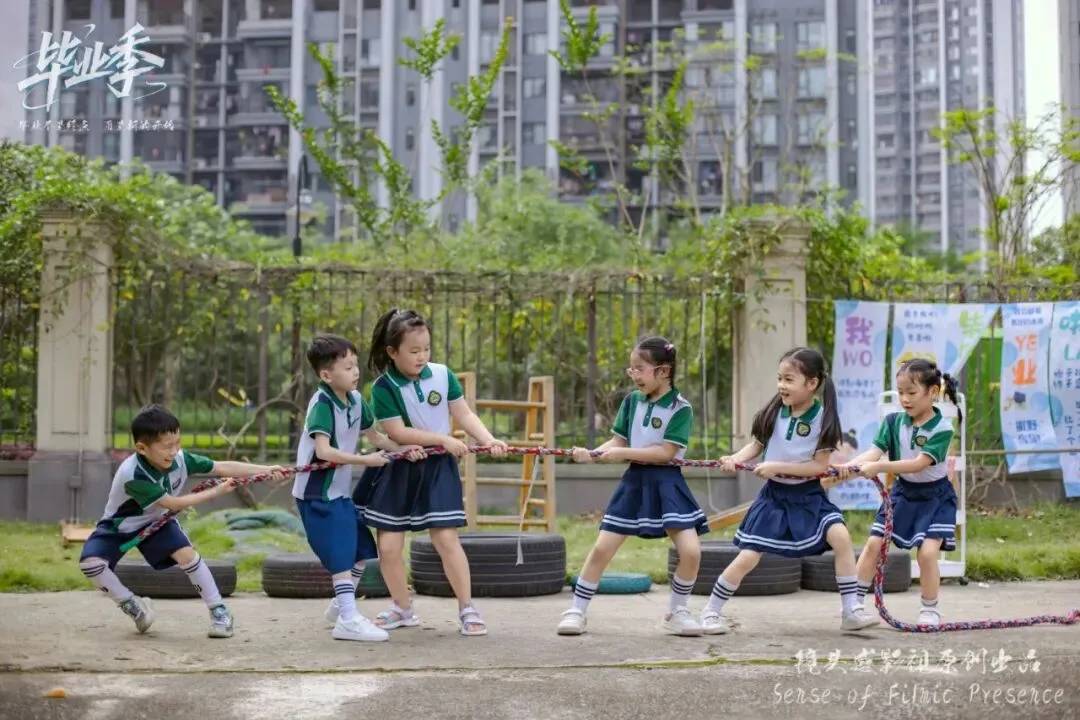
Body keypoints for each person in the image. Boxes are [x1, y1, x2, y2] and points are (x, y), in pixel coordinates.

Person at [702, 347, 880, 635]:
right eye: (779, 378)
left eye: (788, 379)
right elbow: (756, 446)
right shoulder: (774, 412)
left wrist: (776, 466)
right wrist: (735, 459)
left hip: (809, 496)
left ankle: (851, 610)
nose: (781, 385)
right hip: (774, 498)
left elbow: (818, 467)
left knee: (841, 537)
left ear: (812, 383)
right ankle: (711, 611)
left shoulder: (823, 419)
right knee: (749, 556)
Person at [358, 308, 508, 637]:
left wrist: (488, 439)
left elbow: (463, 413)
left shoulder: (442, 374)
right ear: (392, 352)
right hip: (400, 466)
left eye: (426, 348)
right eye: (413, 351)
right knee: (389, 545)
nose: (422, 356)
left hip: (438, 467)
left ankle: (467, 608)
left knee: (445, 538)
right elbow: (397, 432)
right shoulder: (383, 387)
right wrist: (443, 439)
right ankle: (402, 608)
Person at [78, 404, 286, 638]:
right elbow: (174, 504)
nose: (174, 451)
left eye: (177, 443)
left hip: (156, 521)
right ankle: (132, 604)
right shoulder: (132, 474)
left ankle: (219, 611)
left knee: (187, 555)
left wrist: (266, 469)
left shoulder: (181, 459)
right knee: (91, 564)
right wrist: (217, 491)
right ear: (142, 448)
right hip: (120, 526)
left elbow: (221, 467)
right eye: (167, 446)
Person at [557, 337, 708, 637]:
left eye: (640, 369)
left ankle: (677, 611)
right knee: (602, 549)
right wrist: (592, 455)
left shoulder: (681, 408)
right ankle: (576, 610)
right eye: (632, 369)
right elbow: (617, 441)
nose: (634, 375)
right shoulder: (631, 402)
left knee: (691, 551)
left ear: (663, 371)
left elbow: (665, 453)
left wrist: (622, 453)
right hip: (634, 482)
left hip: (668, 483)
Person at [292, 333, 426, 643]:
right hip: (317, 495)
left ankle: (341, 606)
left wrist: (402, 449)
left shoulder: (354, 400)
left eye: (356, 365)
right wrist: (366, 461)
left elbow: (375, 436)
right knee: (341, 555)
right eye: (348, 367)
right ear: (327, 375)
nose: (356, 372)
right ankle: (348, 619)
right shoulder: (322, 404)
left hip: (339, 494)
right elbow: (324, 451)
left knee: (361, 551)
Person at [833, 358, 961, 628]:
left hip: (936, 498)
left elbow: (918, 464)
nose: (904, 399)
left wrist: (880, 467)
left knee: (927, 554)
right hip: (903, 493)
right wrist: (847, 467)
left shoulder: (942, 429)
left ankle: (930, 609)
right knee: (873, 544)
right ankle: (853, 607)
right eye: (901, 392)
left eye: (911, 392)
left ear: (933, 392)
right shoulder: (892, 422)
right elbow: (873, 452)